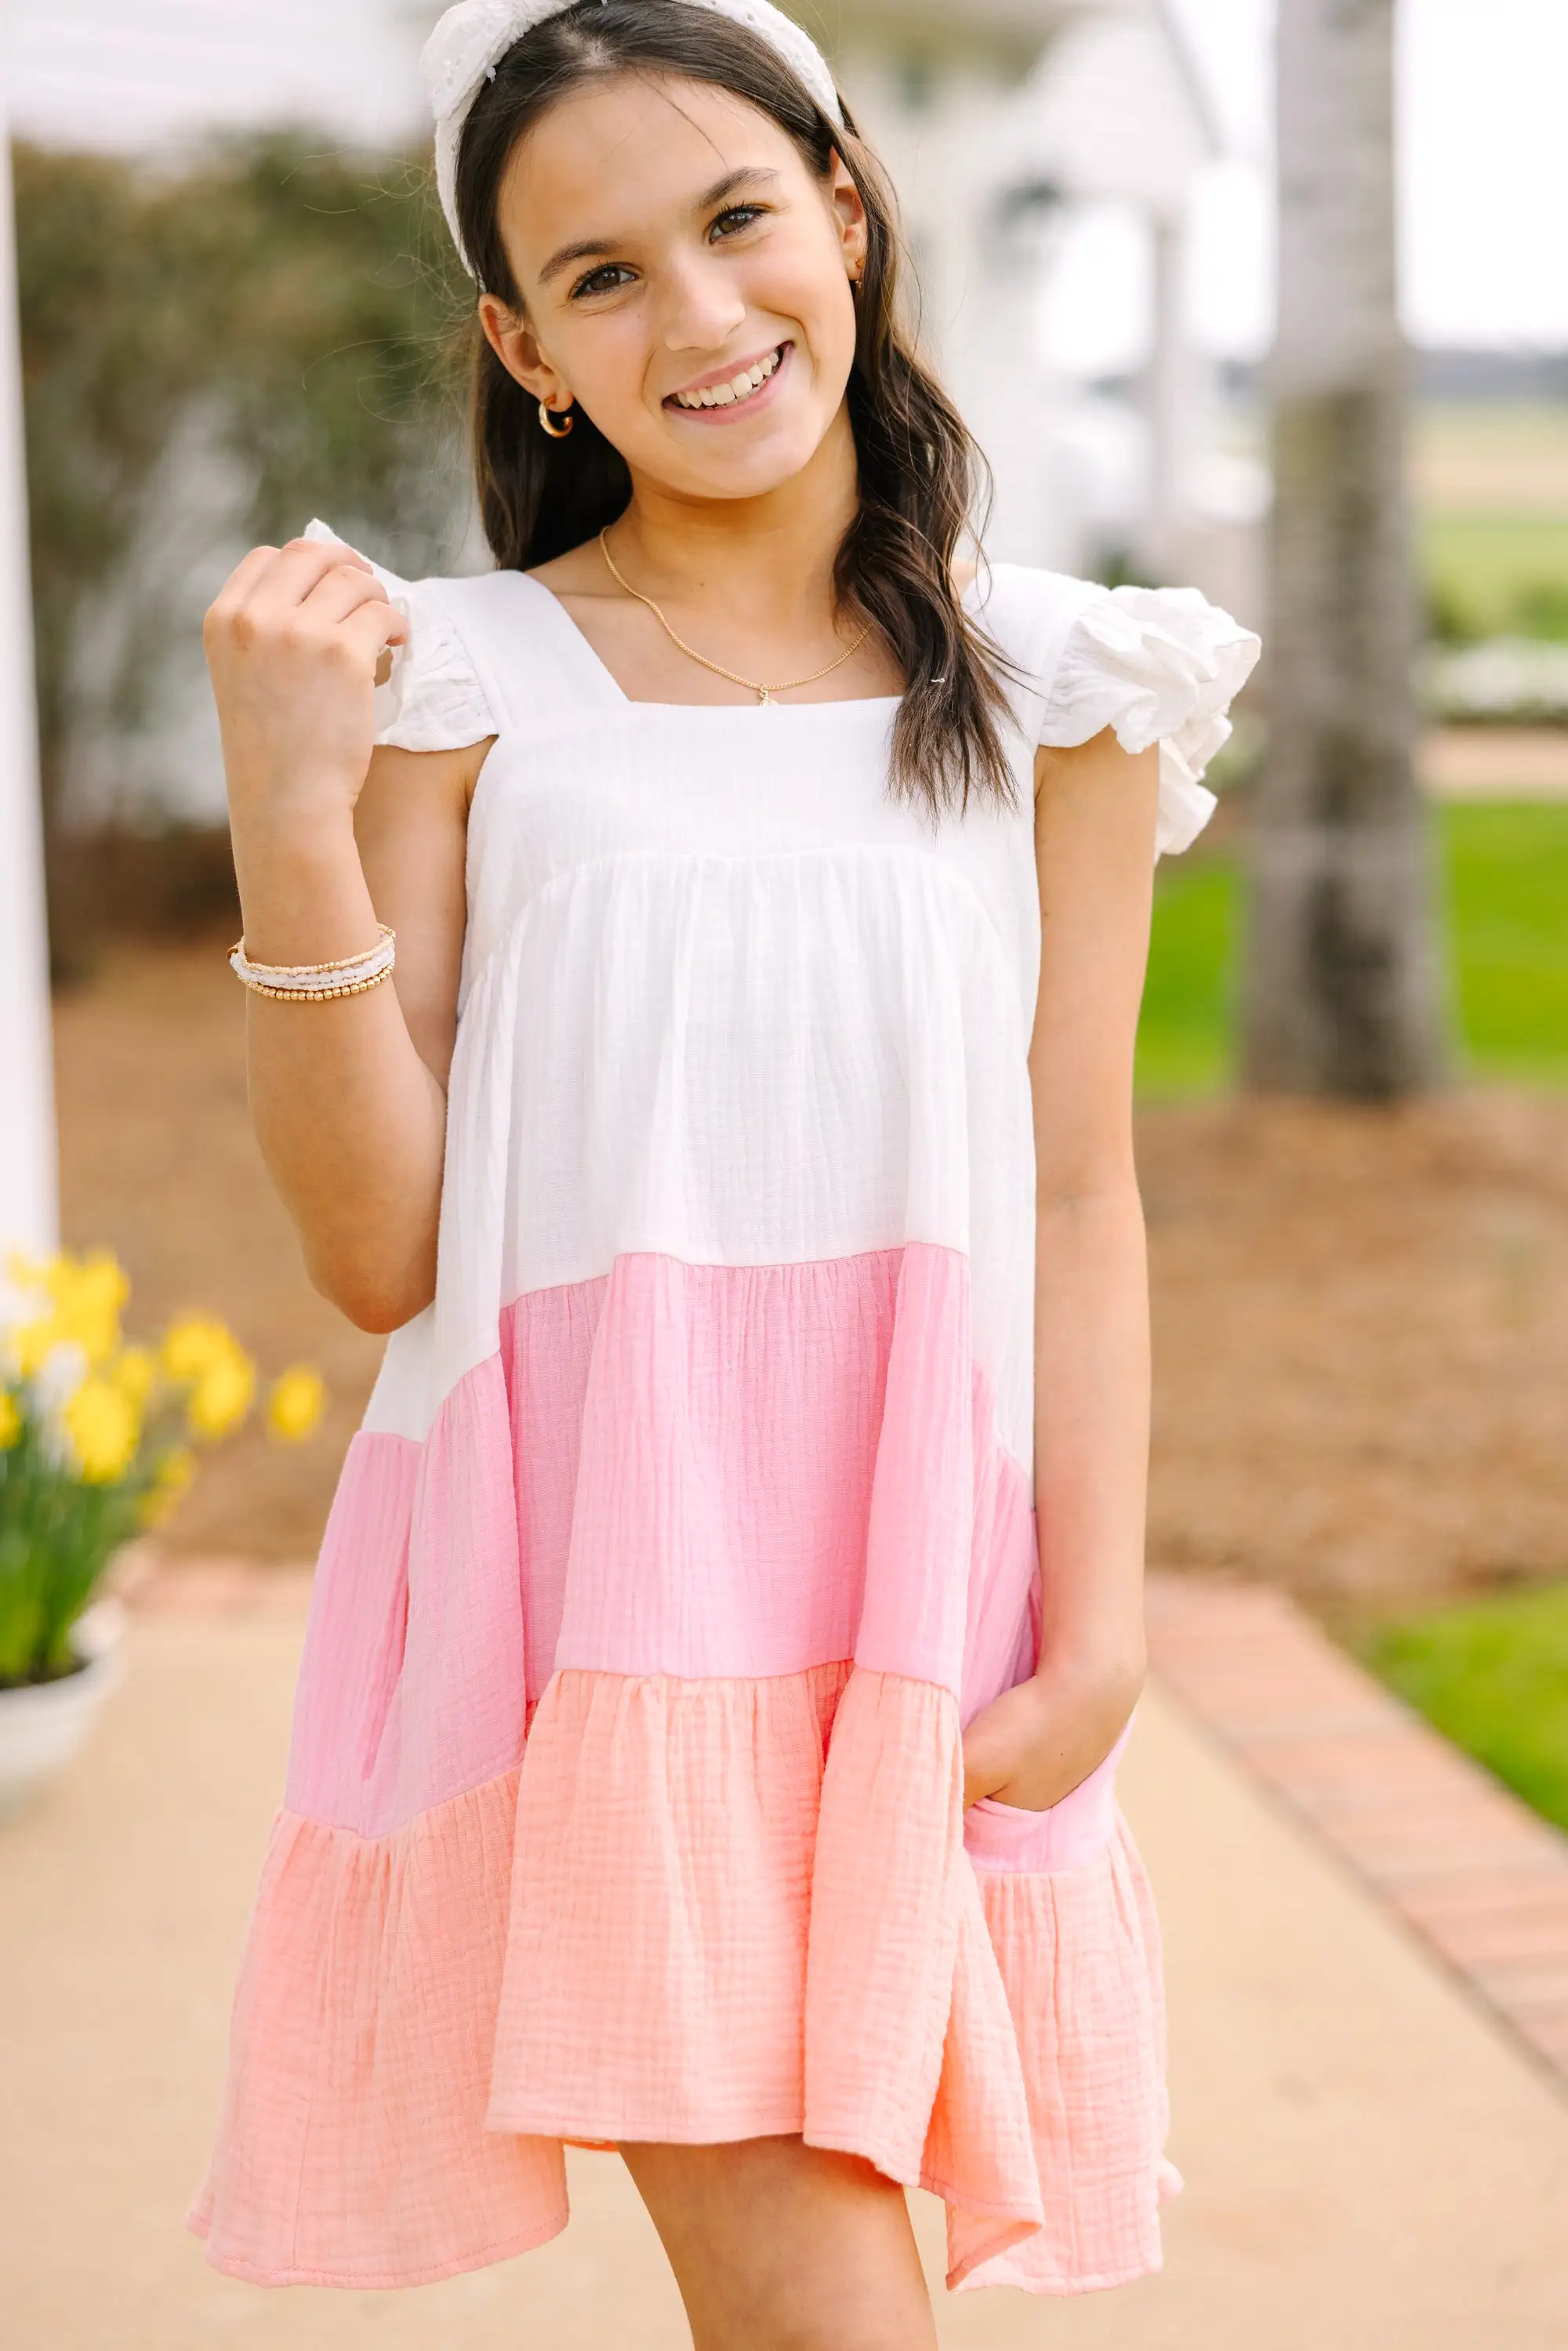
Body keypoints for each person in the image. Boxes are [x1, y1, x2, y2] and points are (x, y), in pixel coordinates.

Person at [191, 3, 1260, 2342]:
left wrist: (1106, 1629)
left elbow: (1083, 1191)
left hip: (917, 1624)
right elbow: (379, 1256)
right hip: (607, 1623)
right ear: (523, 346)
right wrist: (292, 823)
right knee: (828, 2309)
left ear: (846, 213)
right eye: (598, 274)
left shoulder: (1063, 684)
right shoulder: (464, 694)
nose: (696, 312)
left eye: (738, 218)